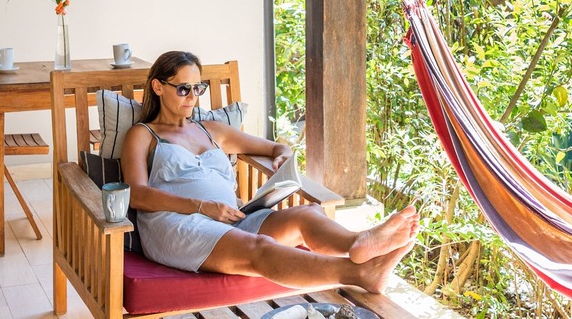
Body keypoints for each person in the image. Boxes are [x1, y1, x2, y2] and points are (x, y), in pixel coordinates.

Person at [122, 50, 418, 292]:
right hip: (177, 225)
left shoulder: (211, 130)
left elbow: (276, 148)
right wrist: (202, 207)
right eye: (183, 89)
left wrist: (283, 158)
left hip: (230, 219)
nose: (192, 97)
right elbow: (136, 195)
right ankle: (359, 273)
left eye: (197, 88)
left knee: (307, 214)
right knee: (260, 247)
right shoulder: (143, 134)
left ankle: (359, 242)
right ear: (158, 87)